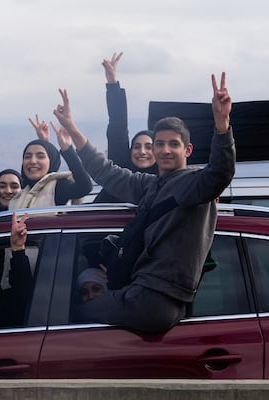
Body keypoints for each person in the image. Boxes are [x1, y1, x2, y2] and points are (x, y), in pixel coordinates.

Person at [51, 72, 235, 333]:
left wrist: (222, 124)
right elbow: (106, 172)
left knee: (69, 315)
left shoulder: (194, 184)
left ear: (188, 150)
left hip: (153, 300)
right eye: (159, 144)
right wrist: (72, 128)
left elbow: (220, 172)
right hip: (143, 294)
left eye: (174, 144)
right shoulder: (150, 185)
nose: (165, 150)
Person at [94, 52, 157, 203]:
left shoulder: (167, 182)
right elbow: (118, 127)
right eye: (137, 147)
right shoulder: (121, 174)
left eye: (149, 147)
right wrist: (112, 84)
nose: (142, 152)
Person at [7, 115, 92, 209]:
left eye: (40, 156)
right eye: (27, 156)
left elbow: (84, 187)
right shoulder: (21, 194)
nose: (32, 161)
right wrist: (43, 142)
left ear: (51, 162)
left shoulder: (58, 187)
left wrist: (67, 149)